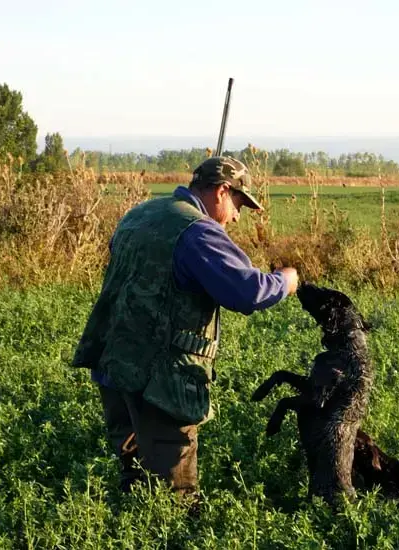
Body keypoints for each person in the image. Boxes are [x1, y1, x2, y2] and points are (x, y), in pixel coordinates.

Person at [71, 156, 299, 498]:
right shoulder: (198, 231)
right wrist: (285, 280)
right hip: (160, 383)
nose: (237, 216)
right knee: (174, 497)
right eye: (239, 204)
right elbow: (247, 292)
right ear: (223, 191)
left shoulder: (139, 214)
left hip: (114, 366)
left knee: (135, 481)